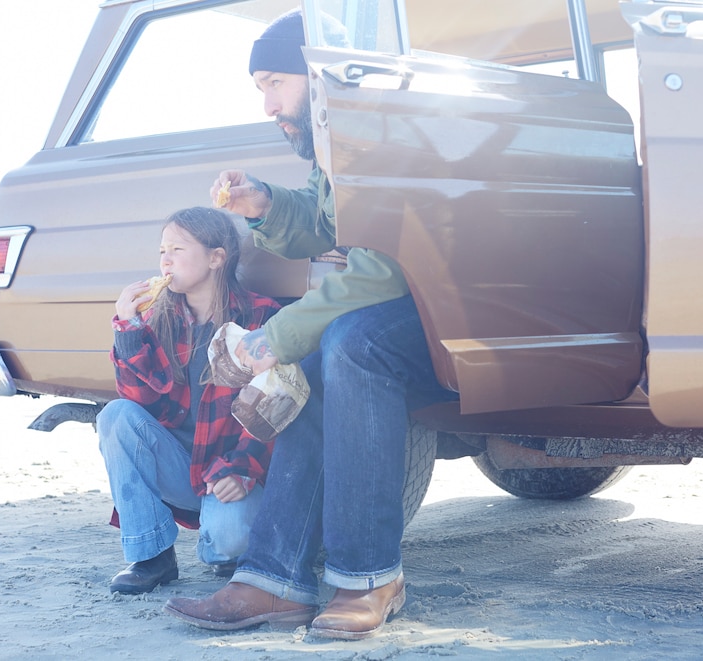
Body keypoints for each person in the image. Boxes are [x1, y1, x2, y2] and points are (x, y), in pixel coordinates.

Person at [163, 10, 457, 639]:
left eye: (275, 82)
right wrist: (265, 205)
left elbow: (381, 271)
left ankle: (369, 576)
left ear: (318, 76)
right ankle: (275, 582)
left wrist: (275, 337)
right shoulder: (336, 146)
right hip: (416, 304)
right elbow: (332, 228)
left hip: (462, 305)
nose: (267, 102)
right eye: (260, 87)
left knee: (352, 343)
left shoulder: (385, 134)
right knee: (317, 363)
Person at [97, 206, 280, 594]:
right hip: (182, 465)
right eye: (162, 250)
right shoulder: (158, 318)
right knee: (116, 415)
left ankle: (228, 541)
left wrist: (243, 468)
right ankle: (152, 557)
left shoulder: (261, 316)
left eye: (178, 249)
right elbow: (140, 402)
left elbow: (277, 405)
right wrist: (128, 331)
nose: (165, 259)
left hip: (234, 472)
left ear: (216, 258)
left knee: (226, 546)